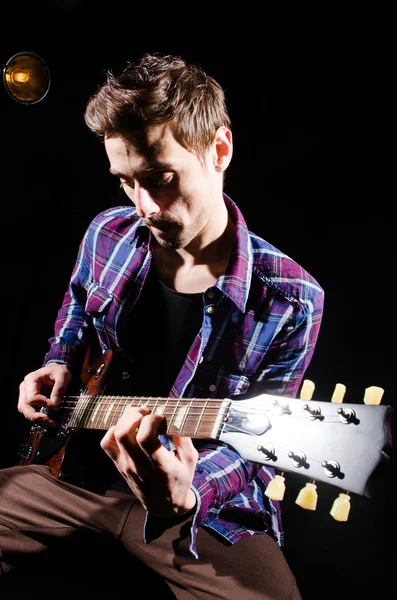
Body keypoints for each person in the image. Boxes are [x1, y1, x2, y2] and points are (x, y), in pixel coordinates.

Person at [0, 53, 324, 599]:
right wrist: (57, 360)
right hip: (68, 476)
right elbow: (77, 309)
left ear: (219, 150)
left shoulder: (294, 297)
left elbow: (264, 445)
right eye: (127, 182)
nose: (145, 205)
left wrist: (189, 492)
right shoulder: (107, 231)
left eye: (161, 178)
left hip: (194, 512)